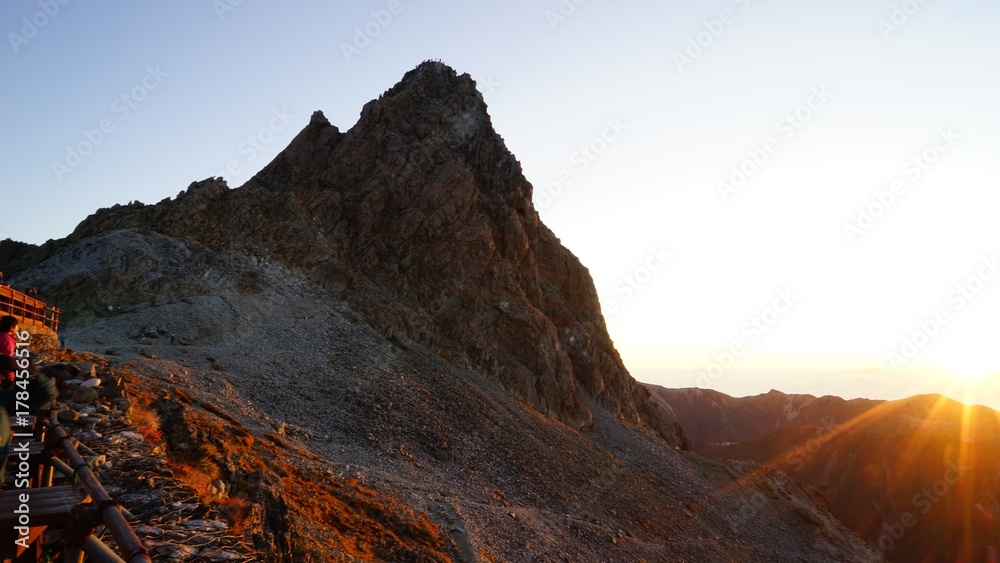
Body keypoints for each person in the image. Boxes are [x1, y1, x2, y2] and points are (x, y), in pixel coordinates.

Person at [0, 316, 18, 389]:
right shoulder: (7, 341)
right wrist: (11, 379)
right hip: (3, 378)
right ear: (12, 327)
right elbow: (7, 363)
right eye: (17, 326)